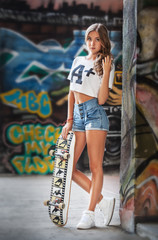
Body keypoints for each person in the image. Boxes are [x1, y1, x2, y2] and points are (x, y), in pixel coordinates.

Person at [61, 23, 115, 229]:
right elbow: (71, 92)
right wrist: (69, 121)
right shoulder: (78, 60)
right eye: (89, 38)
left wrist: (108, 69)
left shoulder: (108, 62)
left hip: (95, 114)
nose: (92, 43)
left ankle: (90, 213)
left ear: (103, 41)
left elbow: (102, 100)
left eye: (97, 39)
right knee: (69, 168)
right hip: (78, 115)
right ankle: (102, 201)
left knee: (95, 166)